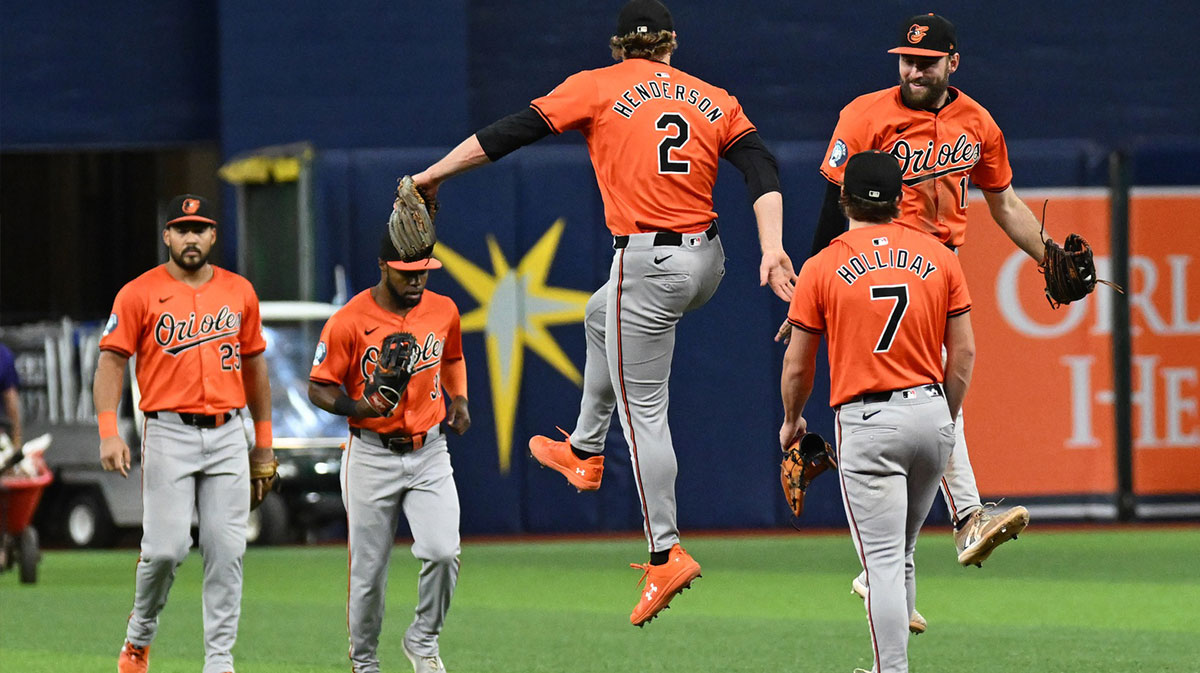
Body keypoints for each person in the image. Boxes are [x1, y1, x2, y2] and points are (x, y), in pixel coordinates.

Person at [410, 0, 794, 627]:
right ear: (671, 46)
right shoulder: (711, 96)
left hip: (648, 263)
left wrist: (434, 175)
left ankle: (665, 550)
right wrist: (774, 247)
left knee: (645, 411)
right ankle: (585, 450)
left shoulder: (596, 85)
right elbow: (761, 165)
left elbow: (510, 132)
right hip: (708, 260)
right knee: (598, 315)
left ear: (619, 48)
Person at [789, 13, 1031, 575]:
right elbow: (834, 204)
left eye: (925, 60)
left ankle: (888, 575)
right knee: (936, 383)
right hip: (879, 264)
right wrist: (813, 287)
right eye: (906, 59)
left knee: (932, 390)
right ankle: (966, 517)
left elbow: (1006, 203)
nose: (914, 69)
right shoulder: (865, 114)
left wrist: (1048, 257)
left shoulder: (977, 122)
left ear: (953, 62)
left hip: (935, 266)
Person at [781, 150, 975, 673]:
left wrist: (791, 421)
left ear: (843, 198)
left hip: (868, 422)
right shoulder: (940, 256)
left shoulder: (823, 266)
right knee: (902, 551)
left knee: (884, 561)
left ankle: (892, 670)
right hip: (931, 415)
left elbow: (799, 367)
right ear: (900, 200)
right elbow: (963, 355)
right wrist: (946, 418)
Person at [94, 194, 275, 673]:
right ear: (167, 236)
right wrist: (109, 431)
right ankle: (139, 637)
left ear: (214, 235)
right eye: (182, 228)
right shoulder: (138, 293)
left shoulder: (239, 291)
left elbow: (256, 369)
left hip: (227, 432)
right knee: (165, 549)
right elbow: (112, 361)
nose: (191, 237)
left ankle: (219, 661)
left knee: (227, 549)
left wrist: (264, 444)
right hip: (169, 431)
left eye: (199, 228)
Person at [308, 235, 470, 673]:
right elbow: (319, 387)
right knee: (368, 575)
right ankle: (364, 663)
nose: (417, 279)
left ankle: (422, 639)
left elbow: (452, 357)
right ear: (383, 265)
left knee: (442, 552)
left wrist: (460, 400)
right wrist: (355, 407)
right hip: (371, 454)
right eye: (407, 271)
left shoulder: (443, 310)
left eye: (423, 271)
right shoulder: (348, 320)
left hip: (429, 450)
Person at [0, 341, 21, 453]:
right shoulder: (3, 354)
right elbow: (11, 399)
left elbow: (11, 399)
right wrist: (16, 442)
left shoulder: (3, 355)